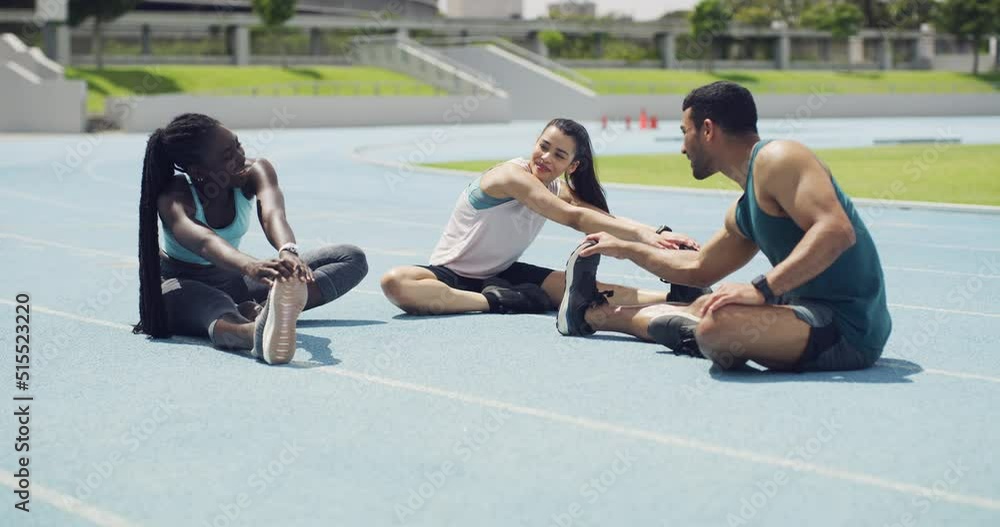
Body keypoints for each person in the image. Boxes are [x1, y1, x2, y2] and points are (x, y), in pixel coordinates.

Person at [558, 82, 892, 372]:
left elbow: (836, 230)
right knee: (711, 307)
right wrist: (627, 248)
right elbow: (699, 269)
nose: (682, 147)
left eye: (684, 133)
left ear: (707, 130)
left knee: (719, 324)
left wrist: (762, 289)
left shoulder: (779, 157)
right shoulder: (745, 207)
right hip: (797, 314)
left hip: (848, 328)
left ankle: (701, 331)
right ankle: (592, 315)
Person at [380, 118, 707, 316]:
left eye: (559, 155)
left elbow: (593, 214)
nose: (546, 157)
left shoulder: (553, 186)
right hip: (450, 275)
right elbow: (571, 218)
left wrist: (657, 233)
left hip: (504, 274)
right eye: (543, 146)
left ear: (573, 165)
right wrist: (648, 237)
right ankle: (494, 302)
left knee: (589, 288)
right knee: (396, 283)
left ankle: (676, 299)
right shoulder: (509, 175)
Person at [132, 113, 368, 365]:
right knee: (217, 304)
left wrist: (288, 251)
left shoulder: (255, 171)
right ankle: (253, 332)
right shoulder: (175, 196)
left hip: (235, 281)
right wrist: (249, 265)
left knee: (350, 258)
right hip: (183, 288)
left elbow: (272, 214)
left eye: (238, 145)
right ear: (198, 171)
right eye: (227, 156)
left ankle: (272, 309)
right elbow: (205, 243)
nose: (240, 156)